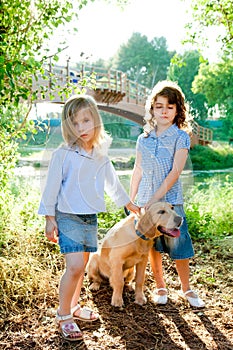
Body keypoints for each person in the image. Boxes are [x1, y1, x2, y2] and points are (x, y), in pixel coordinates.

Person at [38, 94, 139, 341]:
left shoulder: (100, 154)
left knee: (81, 267)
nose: (81, 128)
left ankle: (73, 306)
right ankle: (64, 315)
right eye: (75, 123)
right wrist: (49, 218)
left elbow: (112, 182)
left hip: (89, 218)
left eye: (86, 120)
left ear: (96, 120)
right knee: (73, 267)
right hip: (68, 216)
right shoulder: (63, 154)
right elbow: (51, 186)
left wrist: (128, 203)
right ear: (67, 126)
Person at [130, 81, 205, 308]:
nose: (164, 111)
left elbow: (175, 172)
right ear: (152, 109)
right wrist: (132, 199)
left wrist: (156, 199)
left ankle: (186, 289)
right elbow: (138, 169)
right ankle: (160, 286)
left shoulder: (180, 137)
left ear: (178, 110)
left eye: (170, 107)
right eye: (159, 106)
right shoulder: (143, 139)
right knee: (153, 245)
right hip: (145, 202)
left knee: (178, 243)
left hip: (170, 202)